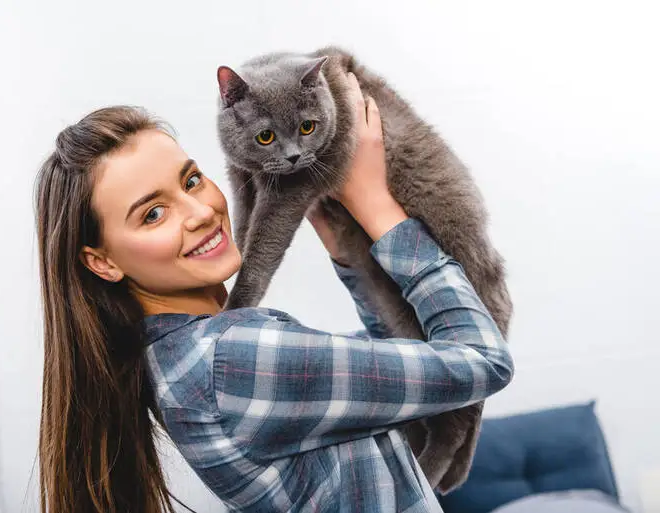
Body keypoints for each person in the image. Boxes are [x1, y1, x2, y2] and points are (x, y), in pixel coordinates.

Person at [34, 73, 513, 513]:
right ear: (103, 261)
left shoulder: (190, 362)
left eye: (192, 181)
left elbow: (399, 366)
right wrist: (378, 208)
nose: (199, 211)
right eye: (152, 214)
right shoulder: (232, 361)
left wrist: (343, 242)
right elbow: (482, 360)